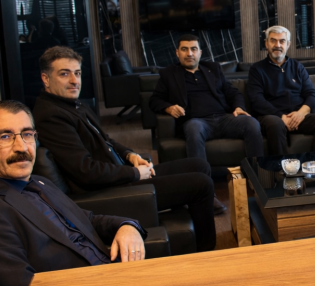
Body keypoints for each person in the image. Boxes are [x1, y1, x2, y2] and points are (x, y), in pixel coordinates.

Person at [0, 101, 146, 286]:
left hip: (117, 276)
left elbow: (87, 220)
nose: (22, 147)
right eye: (5, 137)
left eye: (27, 134)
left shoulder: (40, 182)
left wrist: (126, 226)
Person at [32, 46, 220, 252]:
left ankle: (184, 219)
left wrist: (130, 155)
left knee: (199, 165)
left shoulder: (73, 106)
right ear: (46, 79)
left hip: (119, 175)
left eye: (77, 73)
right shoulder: (52, 116)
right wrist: (135, 174)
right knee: (201, 184)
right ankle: (205, 251)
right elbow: (86, 171)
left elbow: (107, 140)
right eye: (64, 74)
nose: (74, 80)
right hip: (110, 191)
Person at [149, 33, 263, 162]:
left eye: (194, 49)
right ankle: (200, 173)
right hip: (196, 121)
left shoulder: (213, 69)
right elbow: (154, 100)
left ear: (200, 52)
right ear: (177, 53)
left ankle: (255, 170)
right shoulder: (169, 74)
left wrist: (238, 107)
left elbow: (233, 92)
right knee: (194, 128)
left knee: (251, 123)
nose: (189, 54)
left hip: (224, 119)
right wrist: (168, 108)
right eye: (184, 49)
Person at [247, 25, 315, 155]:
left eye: (282, 41)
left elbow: (312, 94)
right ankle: (281, 166)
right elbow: (256, 100)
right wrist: (281, 116)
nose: (277, 45)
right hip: (272, 117)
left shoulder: (298, 67)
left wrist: (301, 113)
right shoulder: (257, 69)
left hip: (298, 116)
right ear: (266, 44)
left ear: (288, 44)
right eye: (273, 40)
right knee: (275, 124)